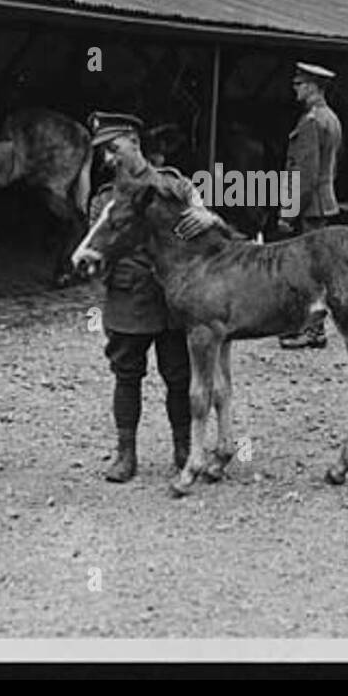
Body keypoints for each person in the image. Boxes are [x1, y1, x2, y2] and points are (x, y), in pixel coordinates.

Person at [84, 112, 226, 482]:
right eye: (103, 154)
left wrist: (209, 218)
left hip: (173, 302)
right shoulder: (104, 200)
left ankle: (183, 449)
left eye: (114, 149)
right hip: (128, 299)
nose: (109, 160)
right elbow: (96, 248)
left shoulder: (174, 186)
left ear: (134, 140)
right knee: (126, 375)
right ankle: (125, 454)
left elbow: (213, 234)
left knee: (179, 376)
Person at [279, 62, 343, 349]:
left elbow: (303, 175)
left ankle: (312, 331)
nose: (295, 88)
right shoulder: (331, 118)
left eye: (300, 84)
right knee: (315, 269)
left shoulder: (311, 122)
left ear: (314, 87)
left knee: (306, 273)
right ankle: (311, 329)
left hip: (308, 206)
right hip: (322, 203)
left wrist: (289, 213)